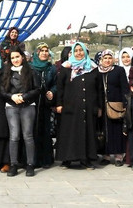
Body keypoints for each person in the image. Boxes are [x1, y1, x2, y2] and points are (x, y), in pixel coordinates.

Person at [55, 42, 102, 170]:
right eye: (76, 50)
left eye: (81, 50)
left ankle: (85, 159)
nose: (79, 53)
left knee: (86, 132)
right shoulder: (66, 68)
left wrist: (99, 107)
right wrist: (59, 104)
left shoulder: (93, 68)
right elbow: (60, 88)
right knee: (69, 132)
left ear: (86, 52)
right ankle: (67, 158)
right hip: (70, 106)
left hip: (88, 106)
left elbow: (99, 89)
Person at [0, 46, 39, 177]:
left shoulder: (31, 71)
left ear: (22, 57)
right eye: (13, 58)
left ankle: (30, 165)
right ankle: (13, 164)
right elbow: (2, 91)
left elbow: (37, 89)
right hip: (11, 106)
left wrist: (24, 97)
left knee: (28, 135)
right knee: (14, 136)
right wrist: (12, 97)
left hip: (28, 105)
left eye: (17, 57)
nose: (15, 60)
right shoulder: (6, 72)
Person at [97, 49, 128, 167]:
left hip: (116, 105)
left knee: (117, 130)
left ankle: (119, 155)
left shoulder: (119, 70)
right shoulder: (98, 72)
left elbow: (124, 88)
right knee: (104, 130)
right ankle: (106, 155)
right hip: (103, 106)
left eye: (110, 58)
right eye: (105, 58)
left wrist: (125, 104)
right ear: (101, 59)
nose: (108, 60)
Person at [29, 42, 57, 169]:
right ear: (37, 53)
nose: (45, 53)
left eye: (47, 51)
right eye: (42, 51)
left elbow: (56, 84)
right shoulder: (30, 67)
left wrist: (52, 91)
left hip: (45, 104)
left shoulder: (51, 68)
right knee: (32, 131)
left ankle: (45, 159)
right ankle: (32, 160)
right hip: (32, 104)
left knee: (45, 131)